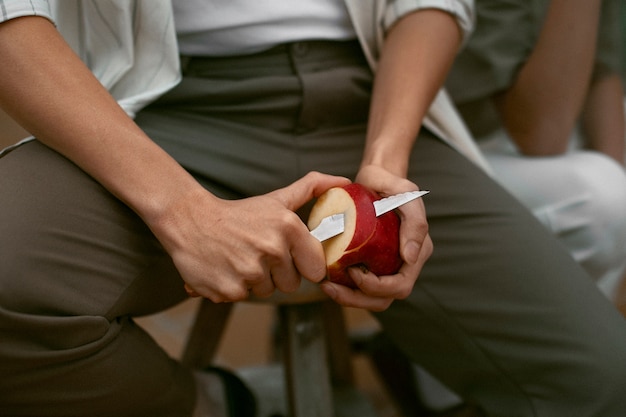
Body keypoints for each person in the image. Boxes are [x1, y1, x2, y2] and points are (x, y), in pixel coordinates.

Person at [1, 1, 626, 417]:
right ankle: (220, 404)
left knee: (603, 383)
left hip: (369, 102)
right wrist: (182, 209)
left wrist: (388, 156)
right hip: (156, 112)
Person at [446, 0, 626, 308]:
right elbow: (541, 133)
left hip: (526, 139)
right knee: (602, 201)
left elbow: (602, 72)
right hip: (448, 150)